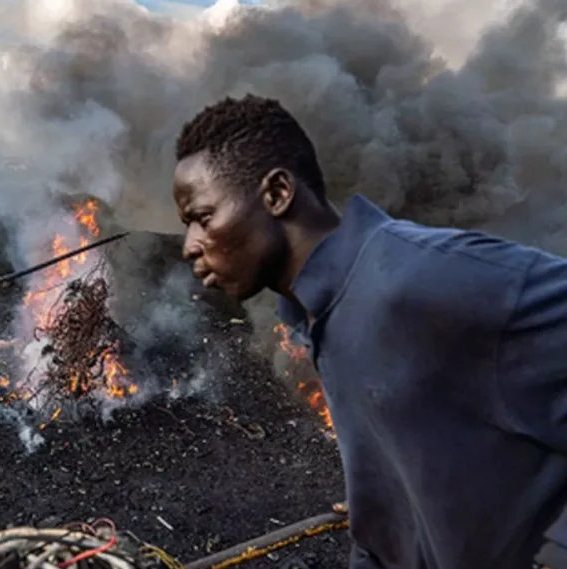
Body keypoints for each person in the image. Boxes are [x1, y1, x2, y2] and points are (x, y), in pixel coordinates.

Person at [171, 94, 567, 569]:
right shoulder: (317, 316)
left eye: (202, 218)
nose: (190, 246)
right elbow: (391, 518)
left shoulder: (424, 279)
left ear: (277, 193)